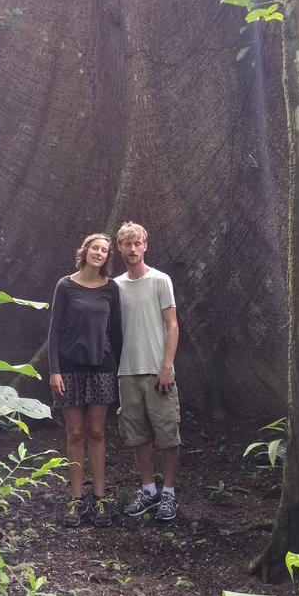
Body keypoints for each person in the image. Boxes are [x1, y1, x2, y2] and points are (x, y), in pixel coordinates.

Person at [47, 232, 123, 527]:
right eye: (95, 248)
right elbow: (54, 331)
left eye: (104, 250)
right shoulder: (65, 286)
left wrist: (120, 369)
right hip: (68, 367)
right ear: (85, 251)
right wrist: (54, 370)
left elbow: (116, 333)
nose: (99, 253)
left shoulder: (111, 289)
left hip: (101, 366)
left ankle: (101, 497)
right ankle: (76, 498)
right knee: (75, 433)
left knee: (97, 432)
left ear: (107, 257)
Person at [114, 221, 181, 522]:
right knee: (137, 435)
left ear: (145, 245)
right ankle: (149, 489)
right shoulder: (114, 286)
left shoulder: (159, 280)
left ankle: (168, 493)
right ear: (119, 248)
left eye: (136, 243)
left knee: (167, 433)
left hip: (157, 370)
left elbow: (172, 325)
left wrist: (166, 365)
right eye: (126, 244)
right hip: (127, 371)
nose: (131, 249)